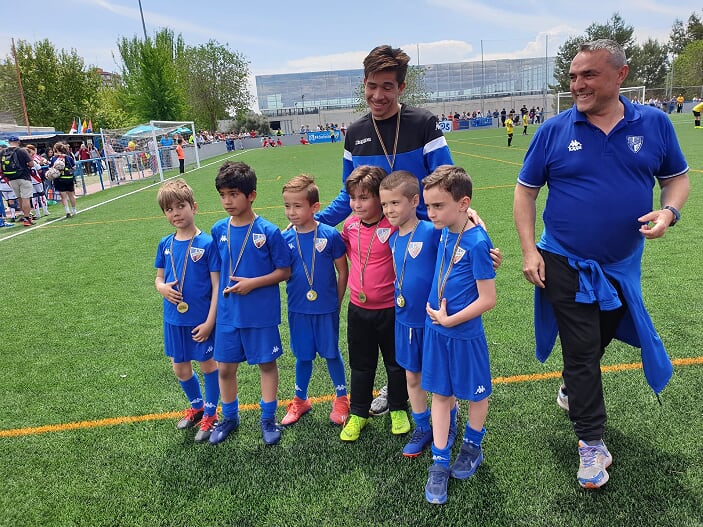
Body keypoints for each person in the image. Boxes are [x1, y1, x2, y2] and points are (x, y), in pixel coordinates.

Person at [513, 39, 690, 490]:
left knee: (599, 337)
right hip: (563, 260)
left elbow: (676, 179)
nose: (578, 85)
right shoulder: (553, 130)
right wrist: (530, 251)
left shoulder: (654, 123)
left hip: (622, 265)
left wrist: (670, 211)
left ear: (620, 75)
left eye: (589, 75)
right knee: (581, 348)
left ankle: (572, 388)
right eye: (573, 76)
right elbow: (525, 193)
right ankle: (591, 444)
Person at [316, 44, 454, 416]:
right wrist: (314, 224)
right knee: (397, 325)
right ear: (364, 84)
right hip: (380, 246)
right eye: (372, 86)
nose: (378, 95)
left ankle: (442, 397)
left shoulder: (423, 124)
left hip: (424, 240)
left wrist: (462, 219)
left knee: (431, 318)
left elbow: (446, 180)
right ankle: (402, 394)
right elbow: (348, 195)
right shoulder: (355, 133)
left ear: (401, 87)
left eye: (388, 87)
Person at [421, 165, 497, 505]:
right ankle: (439, 462)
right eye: (428, 206)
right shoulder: (444, 230)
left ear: (462, 203)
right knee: (440, 394)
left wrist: (451, 320)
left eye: (438, 206)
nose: (431, 213)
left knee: (475, 395)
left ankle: (472, 446)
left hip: (463, 334)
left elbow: (488, 299)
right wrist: (442, 322)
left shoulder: (478, 241)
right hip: (437, 330)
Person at [208, 161, 292, 446]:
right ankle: (230, 418)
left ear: (251, 195)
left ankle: (268, 419)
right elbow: (217, 271)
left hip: (259, 315)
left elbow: (284, 271)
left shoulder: (268, 231)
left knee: (266, 365)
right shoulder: (218, 229)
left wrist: (252, 284)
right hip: (228, 315)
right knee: (225, 368)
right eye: (223, 195)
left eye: (233, 194)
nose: (227, 201)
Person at [379, 170, 459, 458]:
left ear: (415, 201)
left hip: (432, 321)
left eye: (395, 203)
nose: (389, 210)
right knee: (412, 377)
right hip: (404, 321)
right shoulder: (392, 238)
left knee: (440, 380)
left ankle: (449, 422)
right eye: (384, 204)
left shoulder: (432, 231)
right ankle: (423, 427)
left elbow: (458, 249)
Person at [338, 165, 410, 442]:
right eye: (352, 198)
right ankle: (358, 413)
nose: (357, 204)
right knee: (361, 364)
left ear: (379, 198)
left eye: (364, 198)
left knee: (396, 362)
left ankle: (398, 408)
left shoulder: (395, 226)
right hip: (359, 310)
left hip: (392, 309)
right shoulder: (349, 227)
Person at [280, 174, 350, 427]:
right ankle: (300, 400)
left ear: (314, 207)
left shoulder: (330, 235)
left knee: (331, 353)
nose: (291, 212)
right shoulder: (284, 238)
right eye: (287, 206)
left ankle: (342, 398)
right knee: (303, 355)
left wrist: (337, 302)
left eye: (297, 206)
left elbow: (343, 271)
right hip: (298, 308)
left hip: (326, 308)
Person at [154, 179, 220, 442]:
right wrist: (162, 288)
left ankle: (212, 414)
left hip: (200, 320)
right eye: (169, 209)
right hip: (173, 319)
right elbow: (159, 278)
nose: (176, 213)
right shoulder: (165, 244)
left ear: (194, 207)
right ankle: (197, 407)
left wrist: (210, 321)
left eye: (181, 206)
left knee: (208, 365)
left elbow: (217, 286)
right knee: (180, 368)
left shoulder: (207, 243)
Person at [0, 136, 35, 226]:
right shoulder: (21, 151)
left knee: (19, 198)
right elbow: (31, 164)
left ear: (9, 142)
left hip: (11, 178)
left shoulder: (3, 152)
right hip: (24, 177)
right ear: (18, 142)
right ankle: (27, 218)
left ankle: (24, 215)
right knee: (26, 198)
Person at [51, 143, 77, 218]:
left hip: (59, 179)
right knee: (71, 195)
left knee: (63, 196)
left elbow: (51, 168)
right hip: (69, 178)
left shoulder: (54, 158)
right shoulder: (68, 157)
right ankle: (74, 210)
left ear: (56, 149)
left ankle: (67, 210)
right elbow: (74, 167)